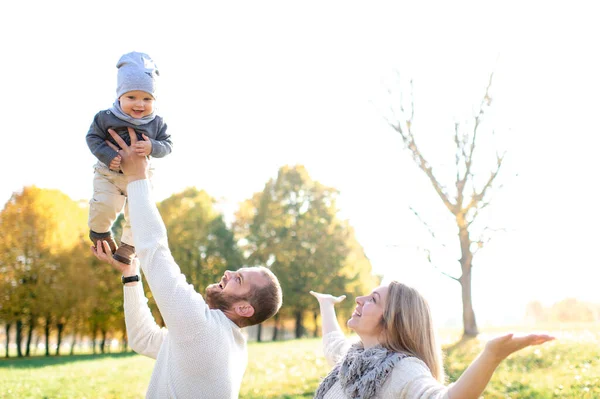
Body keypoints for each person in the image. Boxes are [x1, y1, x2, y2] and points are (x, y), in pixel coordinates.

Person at [91, 127, 282, 399]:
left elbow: (155, 251)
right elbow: (143, 339)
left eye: (238, 279)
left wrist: (137, 178)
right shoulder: (221, 339)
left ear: (243, 307)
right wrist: (131, 274)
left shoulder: (205, 330)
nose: (228, 272)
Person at [310, 282, 554, 399]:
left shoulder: (403, 369)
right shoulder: (352, 361)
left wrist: (491, 356)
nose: (359, 299)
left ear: (394, 319)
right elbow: (332, 342)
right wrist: (326, 304)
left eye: (373, 299)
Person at [86, 51, 173, 265]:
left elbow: (168, 145)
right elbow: (93, 138)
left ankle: (129, 247)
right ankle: (100, 233)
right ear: (119, 97)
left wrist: (153, 145)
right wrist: (107, 155)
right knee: (104, 205)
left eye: (147, 98)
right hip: (109, 174)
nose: (139, 104)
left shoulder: (156, 123)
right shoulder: (106, 118)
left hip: (140, 177)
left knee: (140, 213)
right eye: (131, 97)